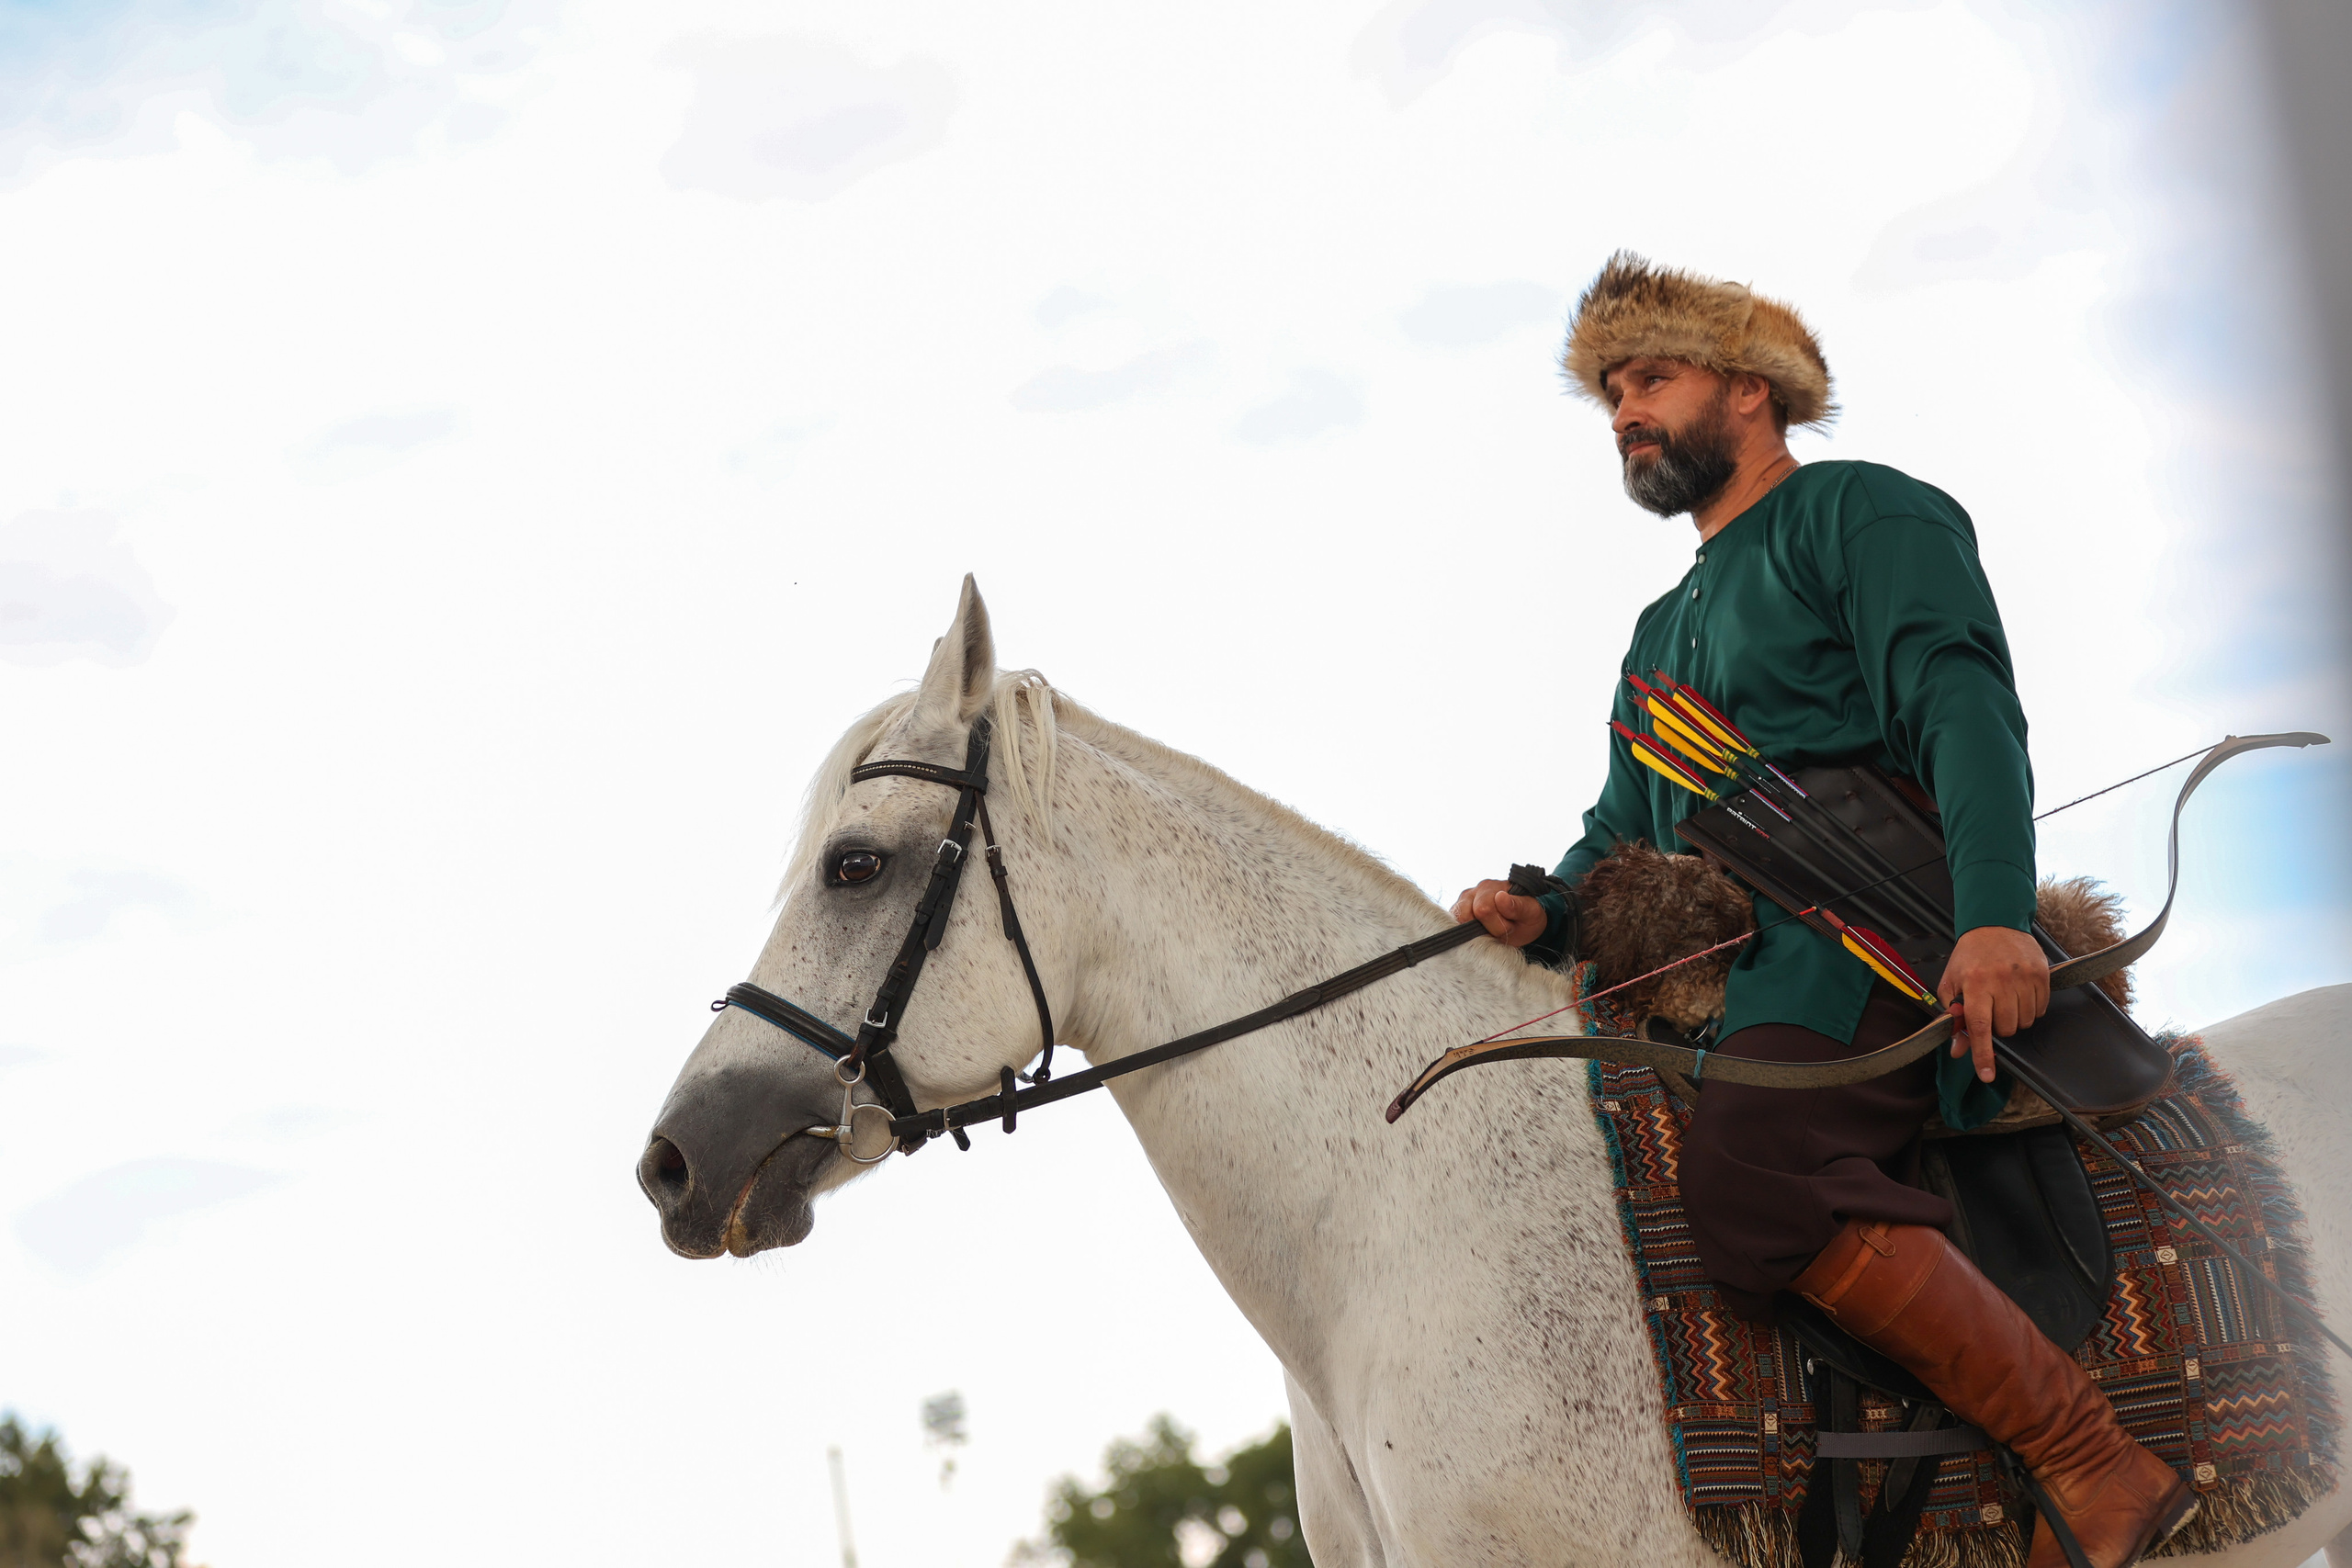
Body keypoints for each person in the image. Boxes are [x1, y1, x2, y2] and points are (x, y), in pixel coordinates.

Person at [1451, 254, 2192, 1568]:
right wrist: (1548, 904)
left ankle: (2092, 1456)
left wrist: (1995, 917)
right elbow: (1627, 826)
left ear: (1751, 391)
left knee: (1752, 1174)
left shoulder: (1862, 513)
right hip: (1740, 964)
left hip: (1872, 936)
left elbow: (1961, 707)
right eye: (1611, 390)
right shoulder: (1656, 630)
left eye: (1652, 378)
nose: (1623, 410)